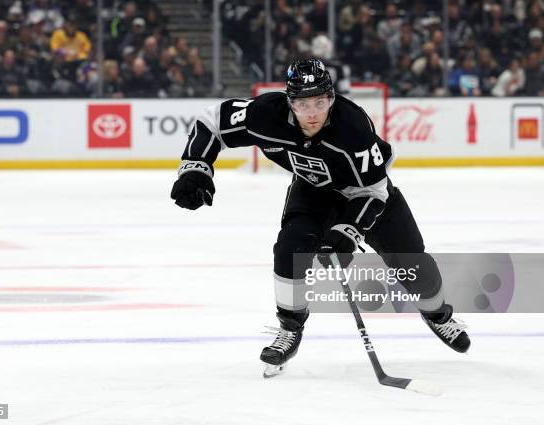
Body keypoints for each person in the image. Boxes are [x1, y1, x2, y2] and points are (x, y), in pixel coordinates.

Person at [170, 59, 471, 377]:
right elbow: (212, 121)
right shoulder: (265, 115)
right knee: (290, 247)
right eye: (302, 103)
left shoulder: (352, 128)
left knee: (415, 265)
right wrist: (196, 166)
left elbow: (376, 191)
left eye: (320, 102)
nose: (312, 112)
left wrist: (349, 231)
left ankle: (437, 315)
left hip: (366, 195)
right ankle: (290, 328)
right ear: (290, 102)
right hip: (313, 190)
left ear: (331, 98)